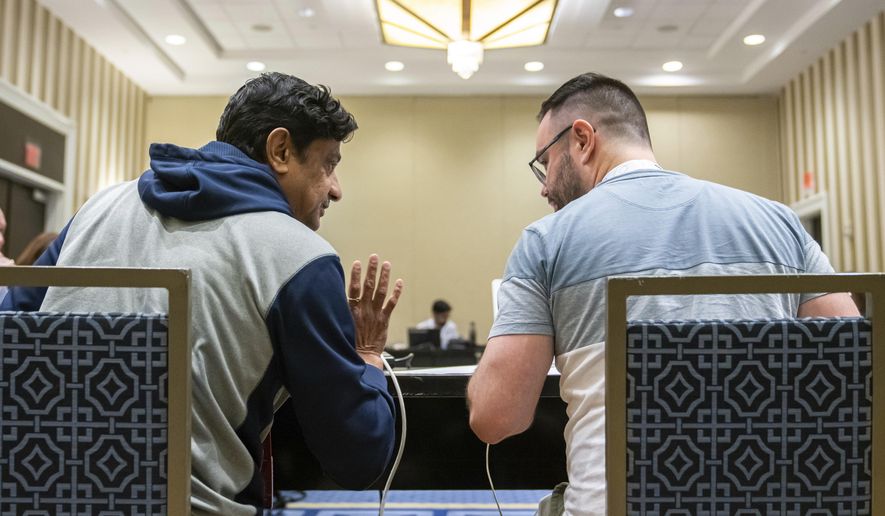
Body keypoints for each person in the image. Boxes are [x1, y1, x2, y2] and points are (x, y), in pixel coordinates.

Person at [1, 72, 404, 515]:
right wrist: (366, 357)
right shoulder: (301, 258)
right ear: (281, 149)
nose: (336, 188)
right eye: (328, 163)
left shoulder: (94, 210)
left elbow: (12, 343)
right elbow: (358, 457)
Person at [466, 72, 859, 516]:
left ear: (581, 139)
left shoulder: (546, 242)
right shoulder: (781, 225)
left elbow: (496, 418)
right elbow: (853, 377)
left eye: (545, 161)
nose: (543, 185)